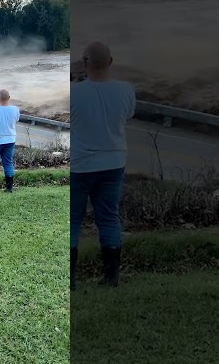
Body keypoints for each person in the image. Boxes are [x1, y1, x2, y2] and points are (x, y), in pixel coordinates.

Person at [70, 42, 136, 289]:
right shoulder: (126, 90)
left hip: (79, 166)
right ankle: (111, 278)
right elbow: (128, 116)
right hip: (113, 163)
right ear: (111, 62)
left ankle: (71, 281)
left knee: (73, 221)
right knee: (108, 218)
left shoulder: (74, 93)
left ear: (85, 63)